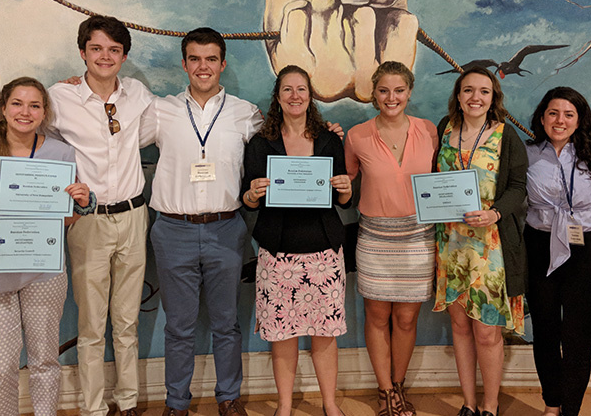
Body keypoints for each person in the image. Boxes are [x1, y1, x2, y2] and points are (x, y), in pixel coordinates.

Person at [139, 27, 263, 416]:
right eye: (195, 58)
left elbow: (284, 147)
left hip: (227, 227)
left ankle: (228, 398)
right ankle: (177, 403)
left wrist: (326, 133)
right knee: (179, 326)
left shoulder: (246, 113)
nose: (203, 66)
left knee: (227, 323)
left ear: (223, 64)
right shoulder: (161, 111)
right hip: (172, 229)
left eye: (211, 59)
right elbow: (113, 140)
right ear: (184, 64)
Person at [0, 77, 91, 416]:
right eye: (17, 103)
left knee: (44, 359)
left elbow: (65, 219)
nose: (25, 112)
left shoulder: (61, 152)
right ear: (3, 108)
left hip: (42, 272)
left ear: (44, 112)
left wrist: (80, 204)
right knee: (1, 368)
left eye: (34, 105)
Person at [47, 16, 155, 416]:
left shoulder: (138, 94)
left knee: (126, 323)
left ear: (123, 56)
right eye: (96, 48)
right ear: (82, 53)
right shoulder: (60, 97)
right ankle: (93, 407)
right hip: (87, 220)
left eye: (113, 50)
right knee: (92, 325)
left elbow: (174, 125)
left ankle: (127, 402)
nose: (105, 56)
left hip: (132, 216)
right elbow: (21, 130)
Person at [240, 65, 352, 416]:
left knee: (324, 334)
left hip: (324, 251)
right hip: (278, 252)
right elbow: (248, 198)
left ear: (310, 95)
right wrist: (253, 194)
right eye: (287, 89)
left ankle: (330, 404)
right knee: (282, 336)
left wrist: (347, 191)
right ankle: (285, 407)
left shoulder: (330, 139)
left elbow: (342, 199)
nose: (295, 96)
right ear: (278, 97)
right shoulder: (260, 143)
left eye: (301, 89)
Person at [432, 66, 528, 416]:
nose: (475, 97)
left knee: (487, 331)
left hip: (491, 246)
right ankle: (469, 403)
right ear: (458, 95)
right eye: (468, 90)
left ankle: (490, 404)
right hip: (451, 244)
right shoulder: (445, 129)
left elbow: (518, 189)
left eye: (483, 91)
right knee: (459, 326)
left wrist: (494, 214)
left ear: (493, 98)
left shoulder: (506, 135)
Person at [344, 61, 438, 416]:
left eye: (399, 90)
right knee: (378, 317)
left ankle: (398, 385)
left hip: (417, 238)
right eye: (384, 90)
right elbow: (345, 186)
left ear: (409, 92)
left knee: (406, 320)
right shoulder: (357, 135)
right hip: (375, 239)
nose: (391, 97)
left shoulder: (429, 131)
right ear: (374, 94)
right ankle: (385, 392)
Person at [524, 87, 591, 416]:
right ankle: (552, 404)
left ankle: (570, 410)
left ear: (579, 120)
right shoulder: (528, 153)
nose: (560, 120)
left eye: (568, 114)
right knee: (546, 333)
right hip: (539, 248)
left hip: (585, 250)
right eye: (553, 113)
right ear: (542, 117)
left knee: (578, 339)